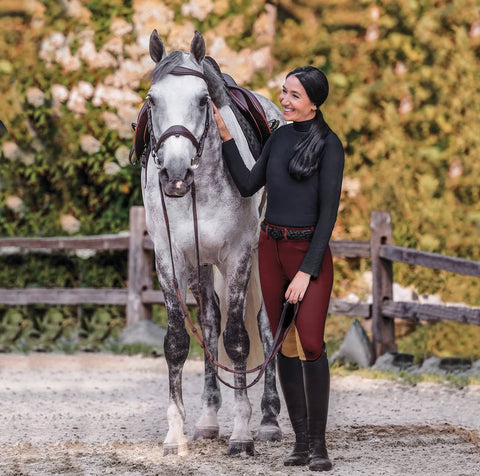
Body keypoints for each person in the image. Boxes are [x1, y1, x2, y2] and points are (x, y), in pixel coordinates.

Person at [213, 66, 344, 471]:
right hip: (269, 247)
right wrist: (227, 139)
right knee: (282, 345)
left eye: (294, 95)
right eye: (283, 92)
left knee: (311, 344)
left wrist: (306, 271)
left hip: (308, 254)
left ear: (314, 102)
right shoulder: (278, 138)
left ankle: (319, 446)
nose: (284, 100)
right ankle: (300, 443)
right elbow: (249, 184)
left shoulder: (330, 146)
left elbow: (328, 216)